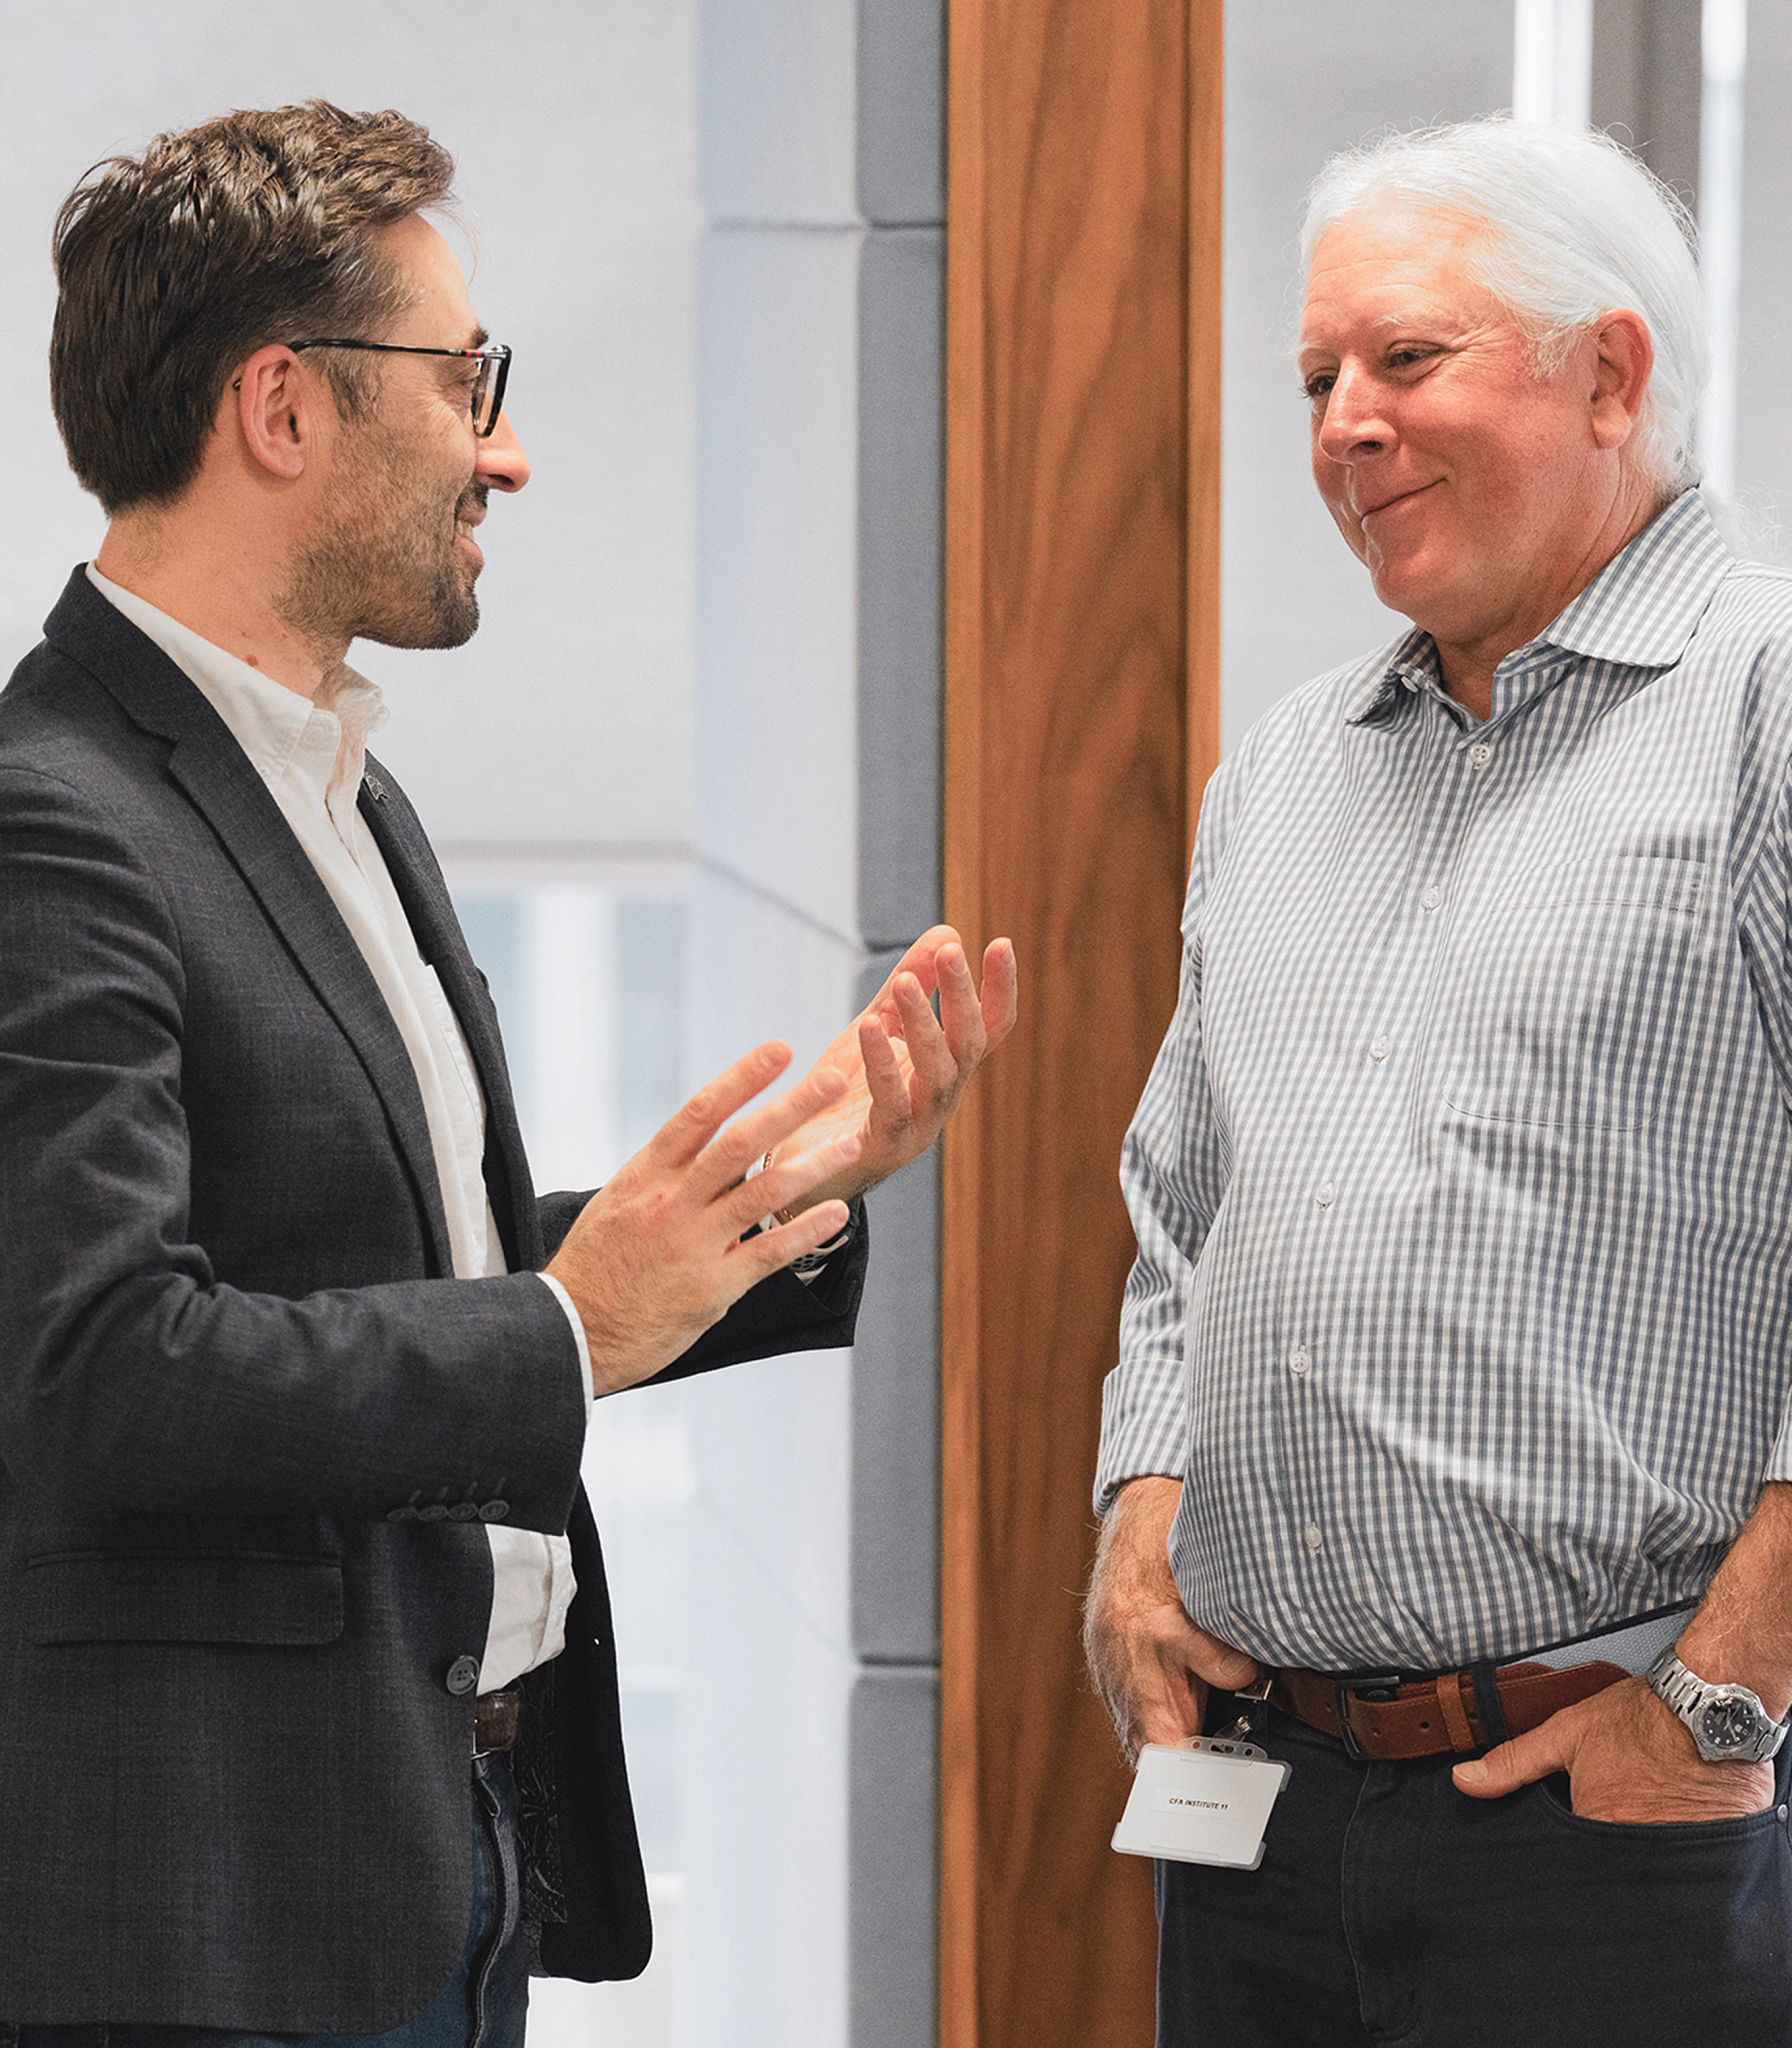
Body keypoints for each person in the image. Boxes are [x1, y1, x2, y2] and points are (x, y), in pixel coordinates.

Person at [0, 102, 1015, 2042]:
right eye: (466, 380)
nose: (509, 448)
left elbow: (378, 1257)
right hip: (210, 1931)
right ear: (282, 409)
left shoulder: (332, 781)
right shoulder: (54, 826)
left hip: (425, 1855)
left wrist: (755, 1204)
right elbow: (98, 1370)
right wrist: (569, 1326)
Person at [1085, 116, 1792, 2046]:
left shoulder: (1765, 710)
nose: (1342, 425)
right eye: (1319, 378)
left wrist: (1725, 1699)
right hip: (1266, 1816)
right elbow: (1185, 1212)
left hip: (1626, 1825)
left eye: (1407, 359)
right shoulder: (1294, 769)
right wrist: (1138, 1513)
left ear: (1612, 372)